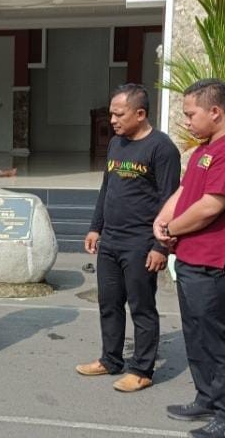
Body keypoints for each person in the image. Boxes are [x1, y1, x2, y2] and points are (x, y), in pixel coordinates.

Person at [153, 79, 225, 438]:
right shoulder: (204, 150)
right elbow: (184, 192)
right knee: (195, 334)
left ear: (215, 111)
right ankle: (208, 398)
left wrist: (170, 228)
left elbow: (212, 206)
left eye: (190, 114)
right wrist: (162, 221)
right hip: (193, 257)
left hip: (218, 261)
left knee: (217, 338)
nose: (187, 121)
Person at [77, 84, 180, 391]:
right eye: (111, 113)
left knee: (141, 306)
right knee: (109, 302)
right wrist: (96, 227)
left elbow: (170, 200)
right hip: (111, 240)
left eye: (119, 114)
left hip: (140, 243)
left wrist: (161, 246)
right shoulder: (116, 144)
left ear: (140, 113)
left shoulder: (162, 149)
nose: (113, 120)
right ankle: (111, 359)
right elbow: (107, 188)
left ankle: (143, 370)